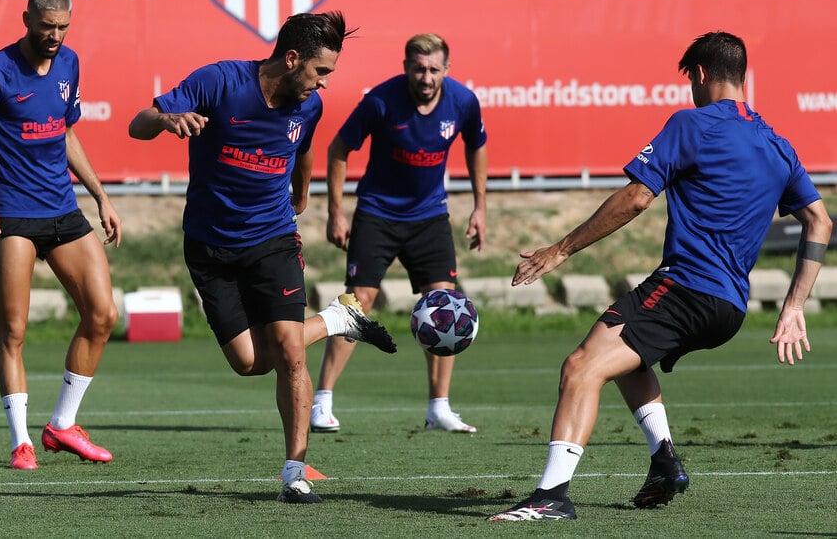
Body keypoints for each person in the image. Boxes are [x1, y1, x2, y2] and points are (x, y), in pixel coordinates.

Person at [488, 31, 832, 522]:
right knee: (626, 354)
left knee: (580, 367)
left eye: (690, 82)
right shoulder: (778, 144)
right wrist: (795, 305)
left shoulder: (692, 124)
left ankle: (551, 495)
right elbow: (820, 221)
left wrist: (561, 249)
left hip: (685, 287)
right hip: (729, 308)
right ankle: (665, 461)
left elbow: (635, 197)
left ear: (699, 75)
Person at [127, 11, 396, 504]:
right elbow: (135, 125)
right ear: (291, 59)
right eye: (320, 72)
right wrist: (167, 120)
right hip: (208, 245)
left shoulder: (307, 107)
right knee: (250, 362)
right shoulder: (218, 81)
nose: (322, 85)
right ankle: (338, 317)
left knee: (291, 354)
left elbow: (305, 149)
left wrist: (301, 194)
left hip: (272, 238)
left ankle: (294, 474)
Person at [0, 0, 122, 471]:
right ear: (26, 19)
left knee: (103, 314)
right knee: (14, 331)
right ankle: (21, 441)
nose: (56, 36)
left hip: (63, 210)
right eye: (47, 27)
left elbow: (66, 132)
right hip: (14, 216)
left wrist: (101, 195)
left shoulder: (69, 63)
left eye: (63, 27)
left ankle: (62, 425)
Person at [311, 33, 488, 435]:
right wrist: (335, 212)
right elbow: (339, 149)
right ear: (406, 66)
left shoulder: (463, 102)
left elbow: (477, 145)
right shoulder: (380, 101)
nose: (426, 77)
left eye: (434, 69)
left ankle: (439, 407)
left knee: (446, 305)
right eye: (418, 68)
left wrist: (480, 206)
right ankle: (321, 401)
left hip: (430, 217)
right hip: (377, 213)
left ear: (447, 69)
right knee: (359, 302)